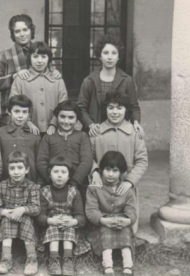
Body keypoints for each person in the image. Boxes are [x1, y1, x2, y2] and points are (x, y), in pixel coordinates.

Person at [90, 92, 148, 234]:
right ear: (105, 110)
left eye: (119, 108)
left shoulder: (134, 133)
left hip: (124, 185)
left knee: (127, 226)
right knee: (101, 226)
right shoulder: (96, 133)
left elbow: (142, 160)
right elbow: (88, 157)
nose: (115, 112)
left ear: (126, 110)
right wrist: (95, 172)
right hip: (101, 185)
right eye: (111, 108)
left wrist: (129, 181)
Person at [0, 14, 61, 126]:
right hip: (13, 114)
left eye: (25, 30)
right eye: (17, 31)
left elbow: (51, 73)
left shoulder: (41, 51)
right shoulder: (5, 55)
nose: (22, 34)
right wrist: (13, 77)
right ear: (13, 34)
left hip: (40, 113)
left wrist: (55, 72)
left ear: (31, 30)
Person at [77, 34, 143, 138]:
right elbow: (80, 108)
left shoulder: (127, 80)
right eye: (105, 53)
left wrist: (136, 122)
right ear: (100, 56)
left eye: (114, 53)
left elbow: (134, 106)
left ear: (118, 57)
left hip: (119, 133)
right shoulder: (89, 81)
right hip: (95, 134)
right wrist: (90, 124)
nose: (109, 57)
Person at [86, 151, 137, 276]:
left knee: (125, 230)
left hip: (120, 222)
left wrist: (127, 220)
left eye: (115, 170)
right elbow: (91, 210)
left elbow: (131, 210)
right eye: (107, 169)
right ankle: (108, 263)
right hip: (101, 225)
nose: (110, 174)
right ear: (101, 169)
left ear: (121, 172)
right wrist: (103, 220)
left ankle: (128, 263)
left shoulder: (126, 189)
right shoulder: (94, 188)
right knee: (106, 230)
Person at [37, 156, 89, 276]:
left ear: (69, 176)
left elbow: (81, 217)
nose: (59, 175)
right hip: (51, 224)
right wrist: (50, 221)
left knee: (69, 229)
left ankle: (68, 259)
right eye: (55, 172)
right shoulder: (44, 192)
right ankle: (54, 259)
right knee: (52, 229)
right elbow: (39, 217)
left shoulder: (74, 192)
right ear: (49, 175)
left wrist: (73, 222)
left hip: (69, 223)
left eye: (63, 172)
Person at [0, 151, 41, 276]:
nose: (16, 172)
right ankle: (6, 260)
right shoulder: (1, 186)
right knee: (6, 221)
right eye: (12, 168)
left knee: (26, 221)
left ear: (27, 170)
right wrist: (3, 212)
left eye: (20, 168)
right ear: (8, 170)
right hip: (6, 220)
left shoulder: (32, 187)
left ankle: (32, 259)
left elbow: (36, 208)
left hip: (26, 220)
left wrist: (23, 209)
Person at [37, 100, 93, 201]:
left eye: (71, 117)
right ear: (57, 117)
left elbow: (86, 161)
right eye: (62, 117)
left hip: (77, 185)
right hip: (52, 184)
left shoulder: (82, 136)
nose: (66, 121)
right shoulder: (48, 137)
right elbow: (41, 161)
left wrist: (74, 182)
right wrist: (52, 180)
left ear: (77, 119)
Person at [10, 41, 68, 136]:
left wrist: (53, 124)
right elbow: (14, 104)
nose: (39, 61)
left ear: (49, 59)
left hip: (53, 131)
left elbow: (63, 104)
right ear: (29, 58)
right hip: (26, 130)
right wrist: (28, 122)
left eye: (43, 57)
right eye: (35, 56)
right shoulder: (21, 79)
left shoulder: (57, 80)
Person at [0, 95, 41, 181]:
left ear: (29, 114)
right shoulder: (0, 133)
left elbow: (39, 161)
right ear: (9, 112)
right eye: (16, 111)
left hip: (31, 181)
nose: (20, 116)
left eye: (24, 112)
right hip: (6, 182)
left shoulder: (34, 134)